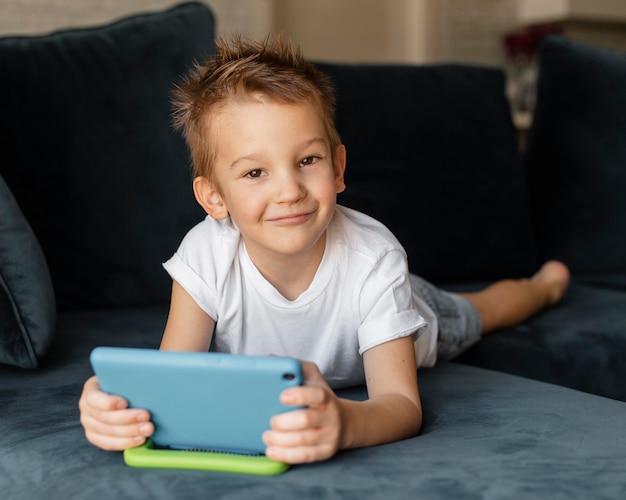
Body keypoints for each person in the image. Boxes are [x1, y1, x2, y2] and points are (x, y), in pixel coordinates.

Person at [78, 35, 570, 465]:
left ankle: (542, 287)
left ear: (337, 168)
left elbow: (400, 404)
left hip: (406, 311)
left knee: (478, 311)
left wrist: (345, 424)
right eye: (255, 172)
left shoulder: (374, 258)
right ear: (214, 198)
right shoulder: (204, 256)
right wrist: (115, 404)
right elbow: (172, 380)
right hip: (360, 301)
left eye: (307, 160)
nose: (289, 190)